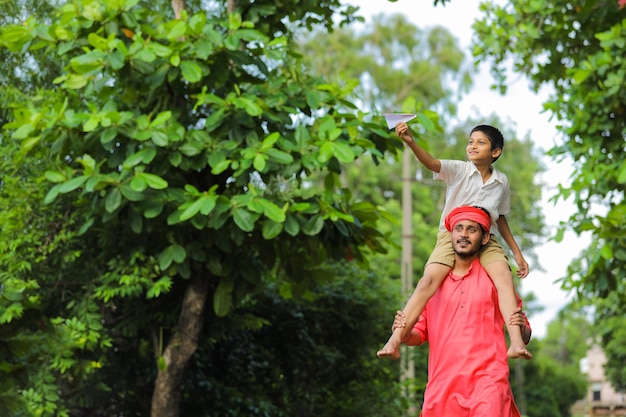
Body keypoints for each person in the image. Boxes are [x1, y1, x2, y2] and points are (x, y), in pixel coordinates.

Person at [377, 122, 531, 360]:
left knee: (503, 275)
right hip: (454, 235)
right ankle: (394, 339)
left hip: (485, 236)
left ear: (495, 152)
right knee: (427, 281)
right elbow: (431, 163)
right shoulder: (459, 170)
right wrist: (410, 142)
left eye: (480, 142)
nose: (472, 146)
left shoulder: (502, 182)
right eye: (470, 141)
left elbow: (500, 218)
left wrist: (516, 253)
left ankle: (517, 342)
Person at [389, 205, 531, 416]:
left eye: (471, 230)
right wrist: (404, 332)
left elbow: (525, 333)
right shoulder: (433, 285)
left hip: (489, 383)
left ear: (484, 238)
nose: (463, 235)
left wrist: (520, 328)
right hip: (442, 388)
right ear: (451, 235)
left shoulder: (496, 279)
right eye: (459, 229)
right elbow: (419, 335)